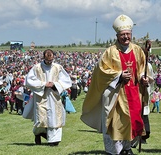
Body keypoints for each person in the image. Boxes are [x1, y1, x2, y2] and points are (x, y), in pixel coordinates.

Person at [80, 14, 150, 155]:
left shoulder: (137, 50)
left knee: (132, 121)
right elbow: (101, 71)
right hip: (116, 94)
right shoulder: (110, 52)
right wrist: (119, 75)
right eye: (122, 34)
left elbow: (142, 69)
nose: (126, 37)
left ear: (131, 34)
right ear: (117, 35)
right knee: (115, 123)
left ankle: (127, 147)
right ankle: (115, 151)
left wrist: (143, 78)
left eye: (128, 34)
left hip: (134, 93)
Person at [25, 49, 72, 146]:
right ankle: (38, 133)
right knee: (41, 119)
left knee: (54, 118)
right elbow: (29, 80)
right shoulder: (37, 68)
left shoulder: (58, 67)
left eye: (51, 60)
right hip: (41, 96)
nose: (49, 62)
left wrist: (55, 85)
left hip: (54, 96)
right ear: (43, 58)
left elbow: (66, 80)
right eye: (47, 60)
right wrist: (43, 84)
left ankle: (54, 140)